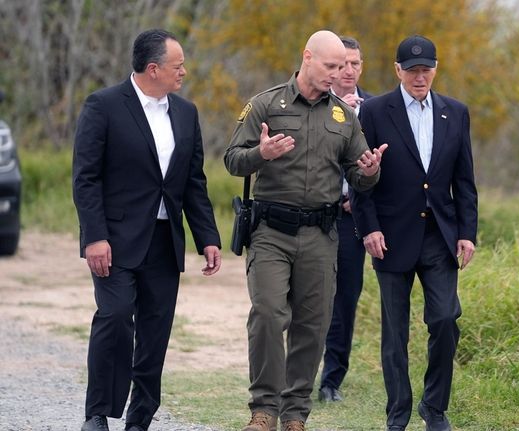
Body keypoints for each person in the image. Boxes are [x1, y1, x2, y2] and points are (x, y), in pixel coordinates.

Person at [223, 30, 386, 431]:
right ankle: (263, 409)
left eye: (345, 66)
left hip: (320, 234)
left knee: (312, 323)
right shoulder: (266, 104)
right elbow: (232, 159)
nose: (339, 73)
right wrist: (261, 153)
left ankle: (295, 412)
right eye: (331, 65)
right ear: (307, 58)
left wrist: (370, 171)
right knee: (267, 314)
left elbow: (357, 174)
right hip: (271, 231)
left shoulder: (344, 116)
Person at [72, 29, 222, 431]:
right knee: (116, 316)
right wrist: (94, 236)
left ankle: (140, 419)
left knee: (155, 333)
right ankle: (98, 413)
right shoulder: (103, 106)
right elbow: (85, 178)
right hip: (114, 241)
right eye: (178, 66)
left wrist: (207, 237)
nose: (185, 72)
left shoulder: (186, 113)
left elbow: (193, 181)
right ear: (152, 68)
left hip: (163, 241)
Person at [351, 35, 478, 431]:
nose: (419, 77)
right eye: (412, 70)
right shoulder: (373, 112)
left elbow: (465, 180)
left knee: (444, 319)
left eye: (426, 70)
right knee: (395, 334)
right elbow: (359, 176)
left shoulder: (455, 113)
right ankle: (398, 414)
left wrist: (467, 232)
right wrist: (367, 228)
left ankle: (434, 408)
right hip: (390, 237)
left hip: (440, 235)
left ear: (435, 69)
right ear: (397, 70)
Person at [318, 35, 375, 403]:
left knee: (346, 299)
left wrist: (362, 195)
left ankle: (331, 380)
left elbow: (384, 165)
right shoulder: (314, 103)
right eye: (342, 64)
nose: (349, 71)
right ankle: (296, 369)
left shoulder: (376, 108)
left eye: (356, 64)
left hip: (352, 218)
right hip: (314, 214)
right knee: (308, 296)